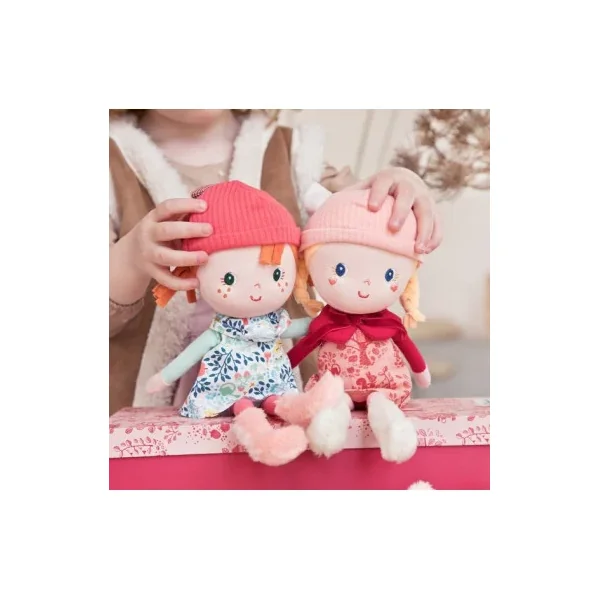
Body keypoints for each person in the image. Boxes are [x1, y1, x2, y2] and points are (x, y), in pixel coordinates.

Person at [109, 109, 442, 415]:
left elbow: (354, 220)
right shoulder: (110, 163)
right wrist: (131, 257)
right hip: (158, 404)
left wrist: (399, 184)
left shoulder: (297, 153)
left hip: (280, 384)